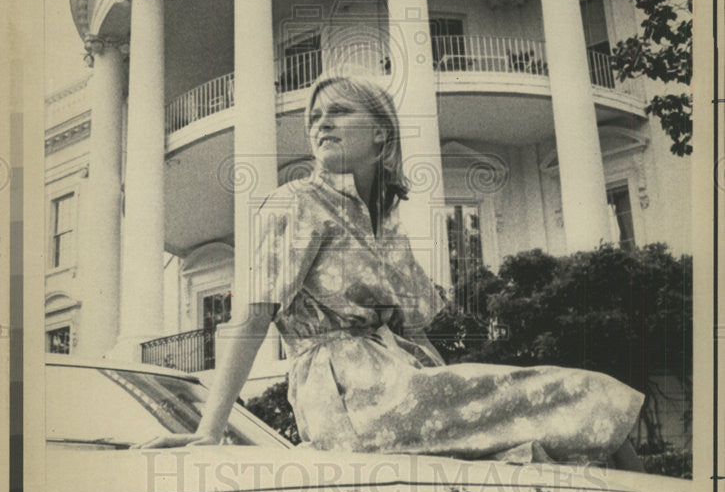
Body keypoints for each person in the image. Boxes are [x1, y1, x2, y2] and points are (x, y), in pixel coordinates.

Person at [142, 72, 643, 468]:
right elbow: (251, 319)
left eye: (339, 111)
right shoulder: (296, 202)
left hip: (402, 382)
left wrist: (462, 395)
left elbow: (418, 333)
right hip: (348, 393)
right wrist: (210, 429)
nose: (321, 123)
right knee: (589, 392)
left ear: (380, 132)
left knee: (588, 413)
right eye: (314, 117)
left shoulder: (387, 227)